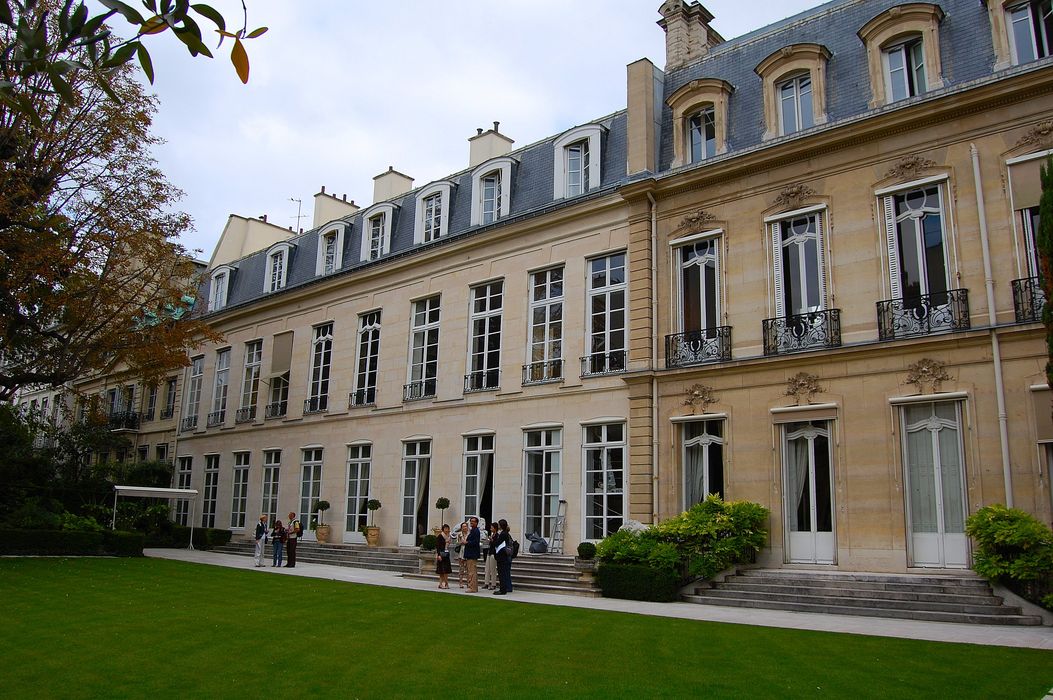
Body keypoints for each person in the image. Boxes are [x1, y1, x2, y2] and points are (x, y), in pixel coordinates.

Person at [493, 518, 514, 595]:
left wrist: (492, 541)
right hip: (503, 556)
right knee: (503, 573)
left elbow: (497, 543)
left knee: (502, 573)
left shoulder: (503, 534)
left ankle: (503, 589)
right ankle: (504, 588)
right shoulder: (505, 533)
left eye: (499, 524)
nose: (498, 526)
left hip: (502, 556)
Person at [464, 516, 481, 593]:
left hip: (472, 554)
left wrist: (467, 542)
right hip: (470, 553)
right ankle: (473, 587)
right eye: (471, 521)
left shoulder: (476, 531)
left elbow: (475, 542)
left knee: (472, 571)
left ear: (476, 523)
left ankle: (472, 587)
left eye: (473, 521)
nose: (471, 523)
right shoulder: (473, 530)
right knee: (472, 571)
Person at [435, 524, 452, 589]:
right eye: (445, 528)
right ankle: (445, 583)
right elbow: (438, 546)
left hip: (446, 553)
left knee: (445, 570)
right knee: (442, 570)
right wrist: (439, 555)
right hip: (441, 553)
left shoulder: (448, 536)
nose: (447, 530)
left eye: (447, 528)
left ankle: (441, 583)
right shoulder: (440, 536)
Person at [483, 521, 499, 590]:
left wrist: (492, 540)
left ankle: (493, 584)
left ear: (495, 528)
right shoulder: (493, 535)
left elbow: (496, 544)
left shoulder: (497, 535)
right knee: (487, 569)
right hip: (489, 552)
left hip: (493, 553)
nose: (490, 529)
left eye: (492, 528)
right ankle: (486, 583)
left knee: (493, 570)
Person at [455, 521, 470, 589]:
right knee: (461, 568)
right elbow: (457, 543)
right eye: (463, 527)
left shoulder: (470, 534)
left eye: (465, 526)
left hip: (467, 552)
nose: (464, 528)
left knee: (468, 568)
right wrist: (461, 542)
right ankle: (460, 582)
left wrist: (466, 542)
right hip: (461, 552)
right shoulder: (459, 534)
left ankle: (468, 582)